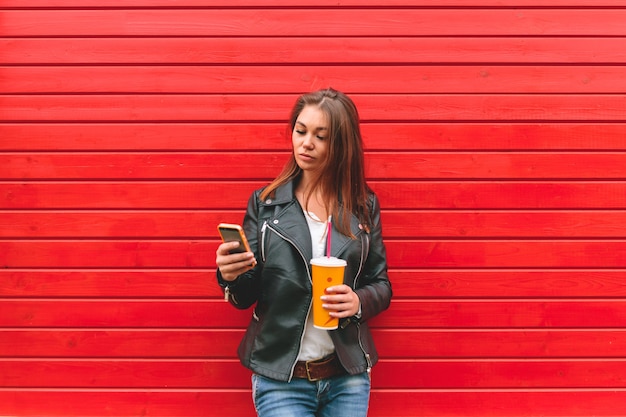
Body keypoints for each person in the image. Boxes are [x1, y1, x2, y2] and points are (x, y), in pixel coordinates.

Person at [215, 88, 392, 417]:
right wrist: (230, 276)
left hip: (347, 376)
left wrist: (357, 303)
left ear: (341, 145)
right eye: (300, 131)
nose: (306, 143)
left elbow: (381, 284)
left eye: (320, 136)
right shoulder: (266, 205)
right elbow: (245, 297)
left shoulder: (363, 207)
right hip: (282, 378)